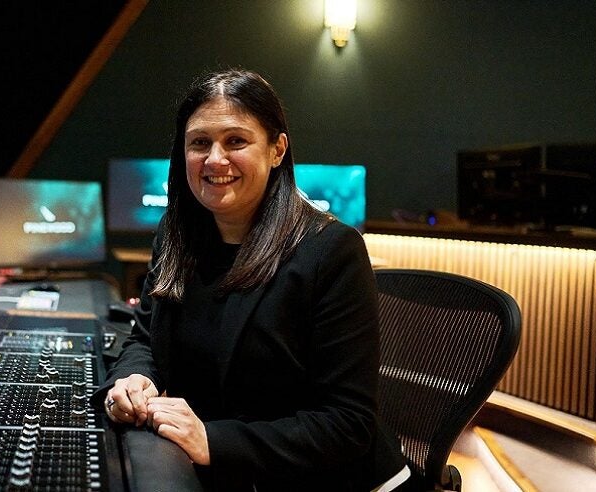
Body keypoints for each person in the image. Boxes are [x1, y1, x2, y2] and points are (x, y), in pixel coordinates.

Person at [94, 69, 408, 491]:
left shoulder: (332, 250)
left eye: (236, 141)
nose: (215, 159)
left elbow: (347, 423)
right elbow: (145, 338)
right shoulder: (176, 232)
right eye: (199, 143)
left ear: (277, 149)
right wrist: (133, 380)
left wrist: (215, 440)